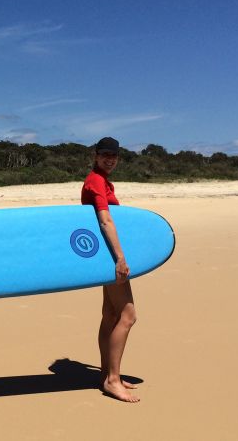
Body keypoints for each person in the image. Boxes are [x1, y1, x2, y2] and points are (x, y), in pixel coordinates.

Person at [81, 137, 139, 403]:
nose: (109, 159)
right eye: (105, 154)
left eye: (113, 156)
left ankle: (107, 372)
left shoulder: (102, 181)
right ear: (95, 155)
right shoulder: (95, 181)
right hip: (108, 256)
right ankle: (112, 381)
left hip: (102, 256)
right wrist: (120, 258)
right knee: (128, 316)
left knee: (110, 314)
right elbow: (104, 220)